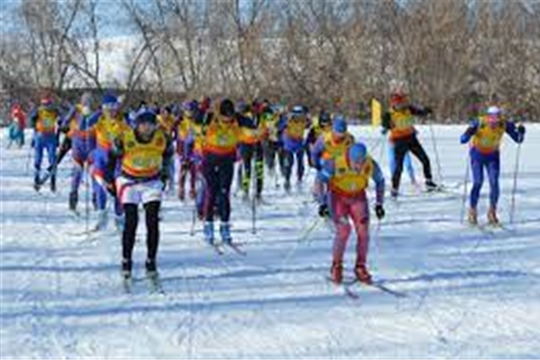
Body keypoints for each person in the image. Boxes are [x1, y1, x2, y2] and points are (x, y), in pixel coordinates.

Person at [107, 110, 173, 279]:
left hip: (151, 181)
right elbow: (112, 157)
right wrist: (110, 180)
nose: (147, 129)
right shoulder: (125, 138)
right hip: (129, 181)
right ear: (137, 125)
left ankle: (151, 260)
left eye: (150, 125)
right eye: (143, 125)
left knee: (152, 220)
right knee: (131, 221)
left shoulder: (162, 138)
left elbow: (168, 155)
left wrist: (165, 173)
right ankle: (126, 260)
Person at [316, 143, 385, 284]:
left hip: (358, 198)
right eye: (356, 163)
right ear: (349, 157)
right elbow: (319, 181)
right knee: (344, 230)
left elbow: (380, 181)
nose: (359, 166)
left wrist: (379, 203)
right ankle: (336, 265)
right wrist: (322, 203)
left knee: (363, 231)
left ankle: (360, 266)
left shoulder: (370, 164)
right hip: (338, 198)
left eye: (361, 162)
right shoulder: (335, 162)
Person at [199, 99, 257, 245]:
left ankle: (225, 227)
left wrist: (256, 114)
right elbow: (195, 118)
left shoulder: (237, 119)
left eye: (230, 117)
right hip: (209, 160)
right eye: (225, 117)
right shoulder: (210, 117)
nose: (227, 119)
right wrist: (202, 109)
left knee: (224, 192)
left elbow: (252, 126)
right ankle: (208, 226)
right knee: (211, 192)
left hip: (227, 160)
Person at [460, 105, 525, 225]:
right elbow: (463, 138)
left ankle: (492, 212)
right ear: (487, 117)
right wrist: (468, 134)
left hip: (493, 157)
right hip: (477, 155)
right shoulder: (479, 122)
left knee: (494, 183)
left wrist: (521, 132)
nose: (494, 121)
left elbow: (518, 139)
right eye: (491, 118)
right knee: (478, 182)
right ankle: (472, 211)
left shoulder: (504, 124)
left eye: (497, 117)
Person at [381, 91, 436, 198]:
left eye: (402, 103)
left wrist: (426, 111)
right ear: (394, 104)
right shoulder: (388, 114)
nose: (401, 105)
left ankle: (429, 182)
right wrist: (387, 125)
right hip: (398, 141)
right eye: (399, 103)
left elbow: (420, 112)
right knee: (399, 167)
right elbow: (384, 123)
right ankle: (394, 188)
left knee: (425, 159)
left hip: (411, 139)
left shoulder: (409, 109)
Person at [91, 93, 130, 230]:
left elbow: (132, 136)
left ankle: (119, 219)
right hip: (101, 157)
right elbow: (86, 123)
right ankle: (102, 216)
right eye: (107, 107)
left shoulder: (123, 120)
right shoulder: (99, 120)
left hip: (118, 159)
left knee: (119, 188)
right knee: (101, 186)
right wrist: (99, 111)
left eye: (114, 106)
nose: (111, 110)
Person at [61, 92, 98, 213]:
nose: (87, 104)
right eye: (85, 102)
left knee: (94, 174)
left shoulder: (97, 113)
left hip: (92, 146)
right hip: (78, 145)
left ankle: (96, 199)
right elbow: (66, 121)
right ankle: (73, 198)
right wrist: (64, 126)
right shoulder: (76, 110)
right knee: (77, 173)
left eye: (90, 102)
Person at [29, 95, 60, 192]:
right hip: (40, 136)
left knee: (52, 160)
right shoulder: (38, 111)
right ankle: (36, 179)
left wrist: (57, 137)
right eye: (44, 104)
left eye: (47, 104)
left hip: (50, 137)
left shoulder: (55, 111)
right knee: (38, 159)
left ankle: (52, 181)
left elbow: (61, 123)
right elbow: (32, 123)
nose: (46, 106)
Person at [277, 105, 310, 192]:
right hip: (289, 144)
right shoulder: (288, 120)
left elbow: (310, 125)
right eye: (296, 115)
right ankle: (287, 180)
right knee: (289, 163)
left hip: (299, 143)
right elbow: (279, 126)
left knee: (300, 163)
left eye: (300, 114)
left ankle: (299, 179)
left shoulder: (304, 120)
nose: (298, 117)